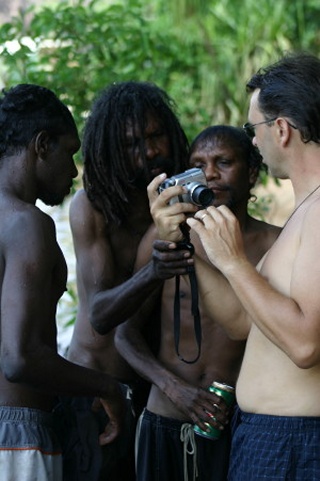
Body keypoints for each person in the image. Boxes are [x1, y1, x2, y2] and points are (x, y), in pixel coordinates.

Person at [182, 52, 320, 480]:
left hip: (294, 442)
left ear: (280, 129)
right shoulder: (306, 210)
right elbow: (246, 321)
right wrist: (191, 246)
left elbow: (304, 345)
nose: (253, 143)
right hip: (271, 437)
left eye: (252, 129)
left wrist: (235, 261)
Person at [115, 125, 281, 481]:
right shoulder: (166, 237)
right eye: (199, 164)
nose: (210, 173)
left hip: (235, 425)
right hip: (166, 418)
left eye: (224, 162)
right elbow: (124, 334)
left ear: (251, 172)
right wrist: (176, 389)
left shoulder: (276, 244)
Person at [0, 83, 127, 481]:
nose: (74, 171)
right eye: (69, 153)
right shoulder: (26, 224)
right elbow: (19, 358)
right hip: (16, 439)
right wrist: (106, 386)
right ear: (41, 145)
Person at [66, 80, 191, 480]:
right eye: (132, 144)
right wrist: (153, 269)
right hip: (95, 392)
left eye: (156, 137)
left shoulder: (181, 195)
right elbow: (101, 315)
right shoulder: (93, 205)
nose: (150, 152)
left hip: (155, 391)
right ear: (110, 149)